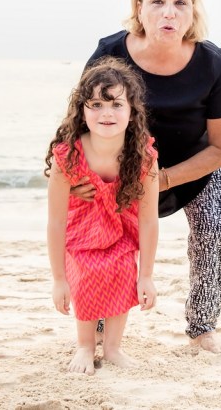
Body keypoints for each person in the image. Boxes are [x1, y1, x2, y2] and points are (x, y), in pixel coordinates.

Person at [75, 0, 221, 353]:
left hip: (195, 166)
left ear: (192, 11)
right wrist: (79, 174)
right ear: (139, 8)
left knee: (218, 233)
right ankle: (99, 321)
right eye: (158, 1)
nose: (170, 12)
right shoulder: (110, 53)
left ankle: (202, 327)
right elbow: (82, 121)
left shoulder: (212, 62)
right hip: (120, 166)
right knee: (103, 240)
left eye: (181, 3)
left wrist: (160, 180)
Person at [46, 57, 160, 375]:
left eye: (116, 104)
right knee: (86, 274)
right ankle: (85, 345)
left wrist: (146, 275)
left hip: (121, 226)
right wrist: (59, 279)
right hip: (80, 231)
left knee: (122, 271)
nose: (106, 113)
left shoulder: (143, 157)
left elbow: (149, 220)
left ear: (132, 111)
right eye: (96, 104)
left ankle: (112, 347)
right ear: (82, 111)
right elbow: (55, 221)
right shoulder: (68, 155)